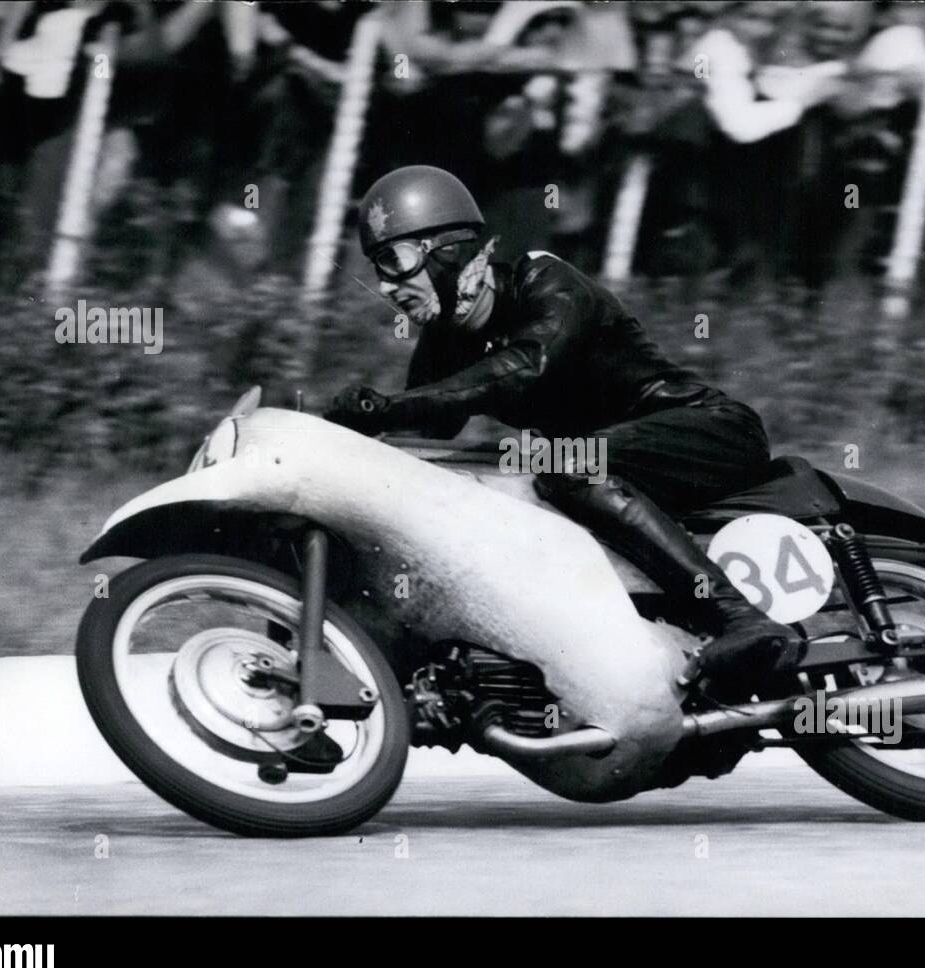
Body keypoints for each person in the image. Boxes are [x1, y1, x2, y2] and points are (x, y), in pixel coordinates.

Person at [324, 165, 806, 696]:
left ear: (446, 248)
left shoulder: (546, 282)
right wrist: (340, 440)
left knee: (564, 467)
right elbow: (429, 435)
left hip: (707, 430)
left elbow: (522, 368)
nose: (388, 287)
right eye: (378, 270)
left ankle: (743, 619)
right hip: (612, 466)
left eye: (394, 262)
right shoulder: (446, 339)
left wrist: (390, 406)